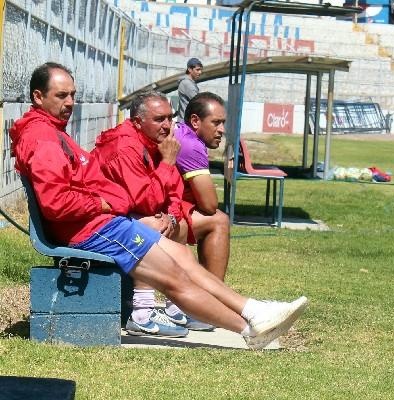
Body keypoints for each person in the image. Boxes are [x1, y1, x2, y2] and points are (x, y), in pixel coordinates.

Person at [10, 62, 308, 350]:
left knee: (182, 257)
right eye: (61, 95)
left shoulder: (53, 131)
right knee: (174, 277)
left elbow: (163, 194)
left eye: (73, 94)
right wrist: (105, 202)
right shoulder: (46, 138)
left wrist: (162, 208)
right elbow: (57, 204)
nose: (70, 102)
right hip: (91, 229)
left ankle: (254, 310)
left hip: (104, 223)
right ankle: (248, 330)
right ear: (38, 96)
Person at [93, 91, 220, 334]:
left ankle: (176, 307)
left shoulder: (154, 143)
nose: (167, 125)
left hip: (133, 212)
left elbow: (174, 190)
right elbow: (144, 201)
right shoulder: (125, 147)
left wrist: (172, 214)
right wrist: (168, 162)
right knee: (149, 225)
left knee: (177, 222)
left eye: (170, 118)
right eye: (159, 119)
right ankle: (142, 313)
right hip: (105, 221)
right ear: (138, 122)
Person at [174, 91, 230, 279]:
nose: (222, 129)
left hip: (142, 216)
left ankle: (209, 293)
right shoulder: (191, 145)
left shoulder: (182, 134)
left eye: (223, 123)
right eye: (216, 122)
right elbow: (209, 204)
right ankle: (214, 295)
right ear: (195, 121)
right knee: (219, 220)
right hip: (145, 222)